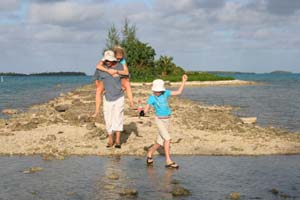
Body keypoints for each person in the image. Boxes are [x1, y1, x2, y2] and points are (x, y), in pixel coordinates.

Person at [142, 74, 188, 169]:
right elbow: (146, 109)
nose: (157, 92)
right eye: (156, 91)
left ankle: (150, 153)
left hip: (167, 120)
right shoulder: (152, 98)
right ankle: (168, 161)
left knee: (160, 142)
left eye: (159, 91)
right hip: (159, 120)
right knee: (167, 139)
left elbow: (178, 92)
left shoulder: (165, 93)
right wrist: (142, 112)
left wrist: (183, 81)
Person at [96, 50, 129, 148]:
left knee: (118, 117)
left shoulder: (119, 66)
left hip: (119, 96)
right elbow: (96, 80)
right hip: (107, 97)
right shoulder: (101, 69)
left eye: (109, 60)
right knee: (108, 119)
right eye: (106, 60)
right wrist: (101, 89)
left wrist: (124, 86)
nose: (108, 62)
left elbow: (127, 75)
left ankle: (118, 140)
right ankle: (110, 139)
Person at [92, 46, 134, 118]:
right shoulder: (102, 64)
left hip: (117, 80)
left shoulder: (121, 64)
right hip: (105, 80)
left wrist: (123, 84)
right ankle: (97, 111)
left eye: (120, 58)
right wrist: (97, 83)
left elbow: (127, 74)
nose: (118, 59)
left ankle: (131, 103)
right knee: (98, 90)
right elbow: (96, 74)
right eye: (117, 58)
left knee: (127, 84)